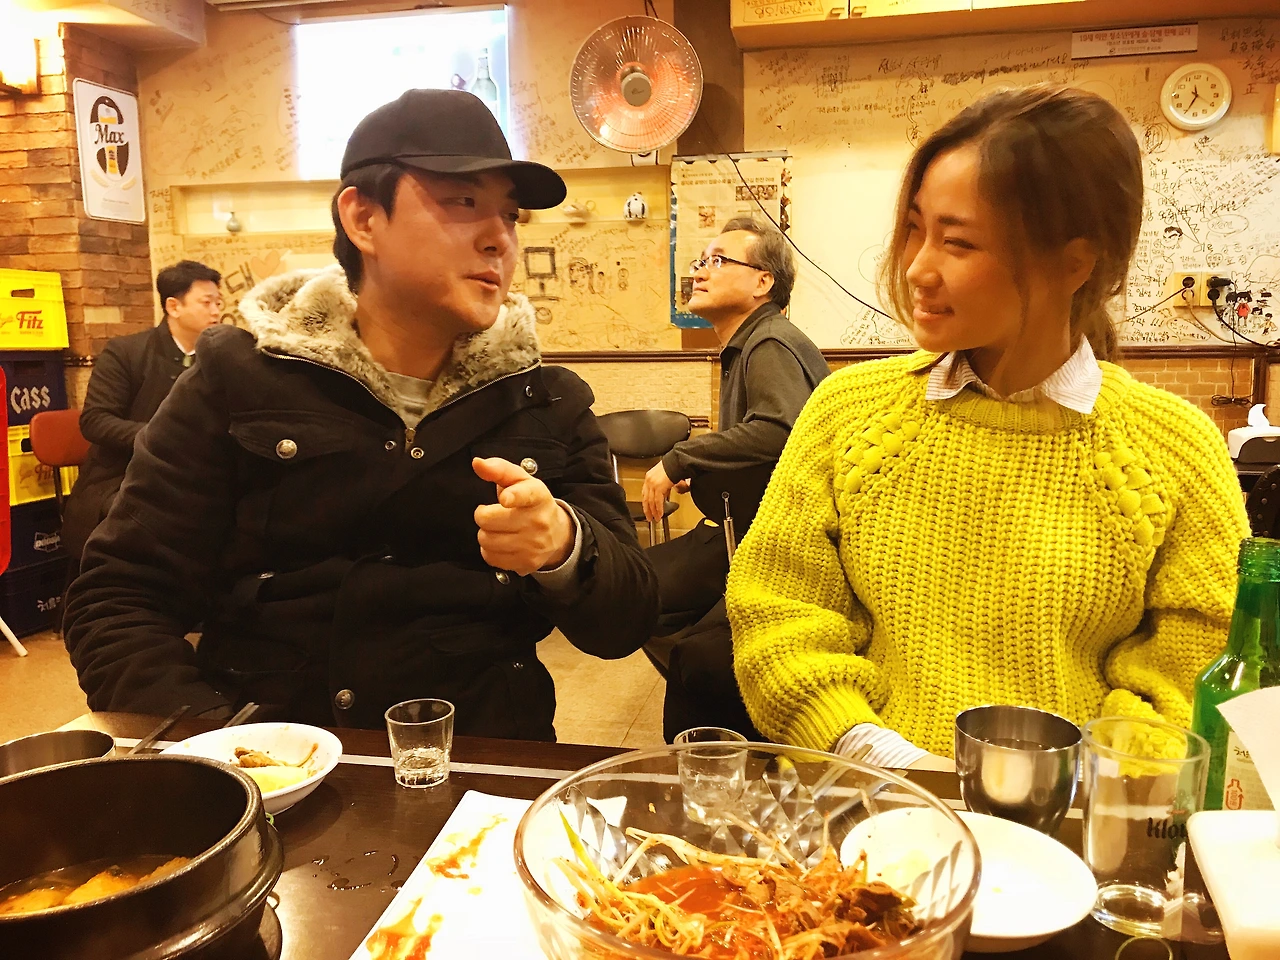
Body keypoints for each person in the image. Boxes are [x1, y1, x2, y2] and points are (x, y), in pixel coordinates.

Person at [63, 89, 658, 739]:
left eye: (511, 216)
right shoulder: (237, 380)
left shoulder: (546, 401)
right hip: (274, 755)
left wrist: (565, 546)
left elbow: (626, 622)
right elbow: (118, 598)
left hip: (486, 762)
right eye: (463, 202)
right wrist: (221, 749)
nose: (499, 239)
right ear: (364, 218)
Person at [727, 84, 1249, 766]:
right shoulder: (849, 411)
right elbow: (778, 612)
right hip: (869, 800)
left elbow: (1197, 665)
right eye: (915, 228)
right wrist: (887, 759)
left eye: (959, 242)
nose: (918, 267)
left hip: (1081, 815)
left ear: (1074, 262)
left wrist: (1072, 778)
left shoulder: (1173, 447)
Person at [641, 217, 828, 741]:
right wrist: (706, 469)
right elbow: (759, 445)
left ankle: (729, 748)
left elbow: (780, 429)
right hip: (740, 531)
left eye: (718, 260)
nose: (700, 272)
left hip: (784, 550)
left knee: (696, 661)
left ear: (762, 281)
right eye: (701, 261)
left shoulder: (768, 341)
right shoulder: (752, 341)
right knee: (633, 588)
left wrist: (680, 459)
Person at [61, 260, 223, 566]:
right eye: (206, 303)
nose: (216, 311)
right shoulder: (127, 352)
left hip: (197, 475)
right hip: (125, 476)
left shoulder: (220, 358)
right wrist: (162, 438)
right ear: (173, 306)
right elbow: (95, 420)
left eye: (218, 302)